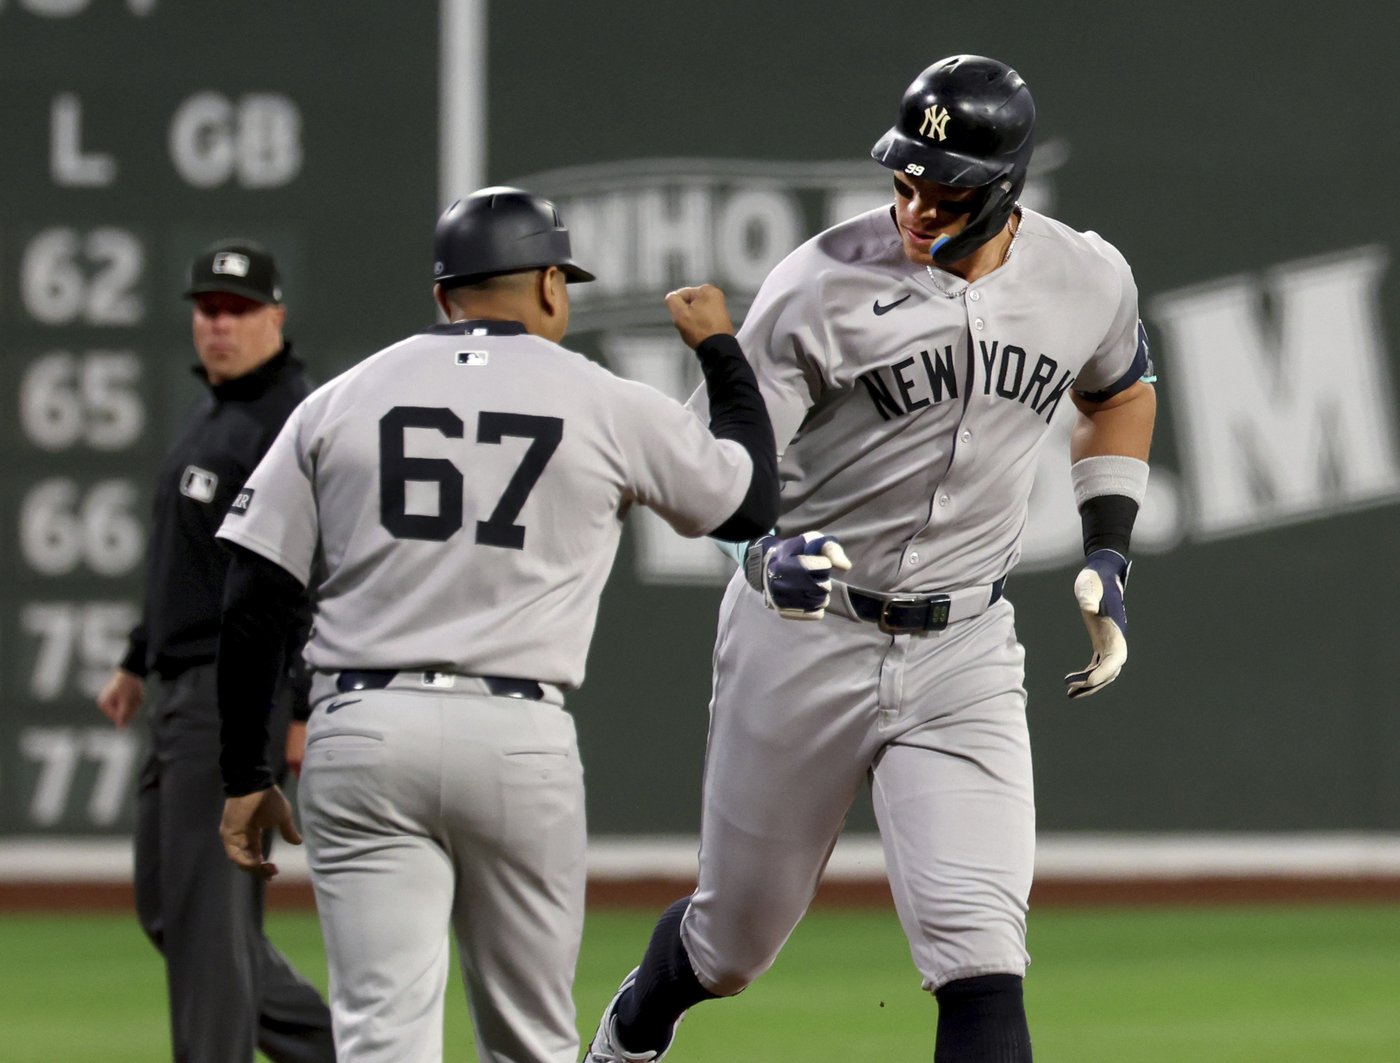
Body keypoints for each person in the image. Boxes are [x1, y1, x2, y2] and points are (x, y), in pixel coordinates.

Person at [585, 54, 1157, 1063]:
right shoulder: (817, 286)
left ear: (1005, 187)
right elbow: (705, 468)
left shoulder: (1084, 276)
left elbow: (1116, 390)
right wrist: (757, 555)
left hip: (963, 649)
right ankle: (632, 1029)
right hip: (805, 636)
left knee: (981, 955)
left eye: (945, 190)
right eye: (903, 179)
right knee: (731, 945)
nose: (915, 205)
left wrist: (1107, 548)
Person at [211, 186, 780, 1063]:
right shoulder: (601, 399)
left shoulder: (342, 397)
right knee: (529, 1041)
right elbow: (748, 504)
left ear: (443, 294)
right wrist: (720, 351)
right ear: (552, 286)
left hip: (362, 728)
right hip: (516, 735)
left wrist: (246, 770)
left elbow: (253, 592)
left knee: (379, 1034)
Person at [95, 240, 335, 1063]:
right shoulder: (212, 412)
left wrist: (299, 706)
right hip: (180, 686)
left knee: (207, 921)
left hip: (237, 693)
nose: (219, 325)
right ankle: (351, 1053)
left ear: (276, 316)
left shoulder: (288, 420)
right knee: (176, 910)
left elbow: (309, 574)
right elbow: (190, 562)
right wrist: (136, 656)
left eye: (237, 310)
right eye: (207, 309)